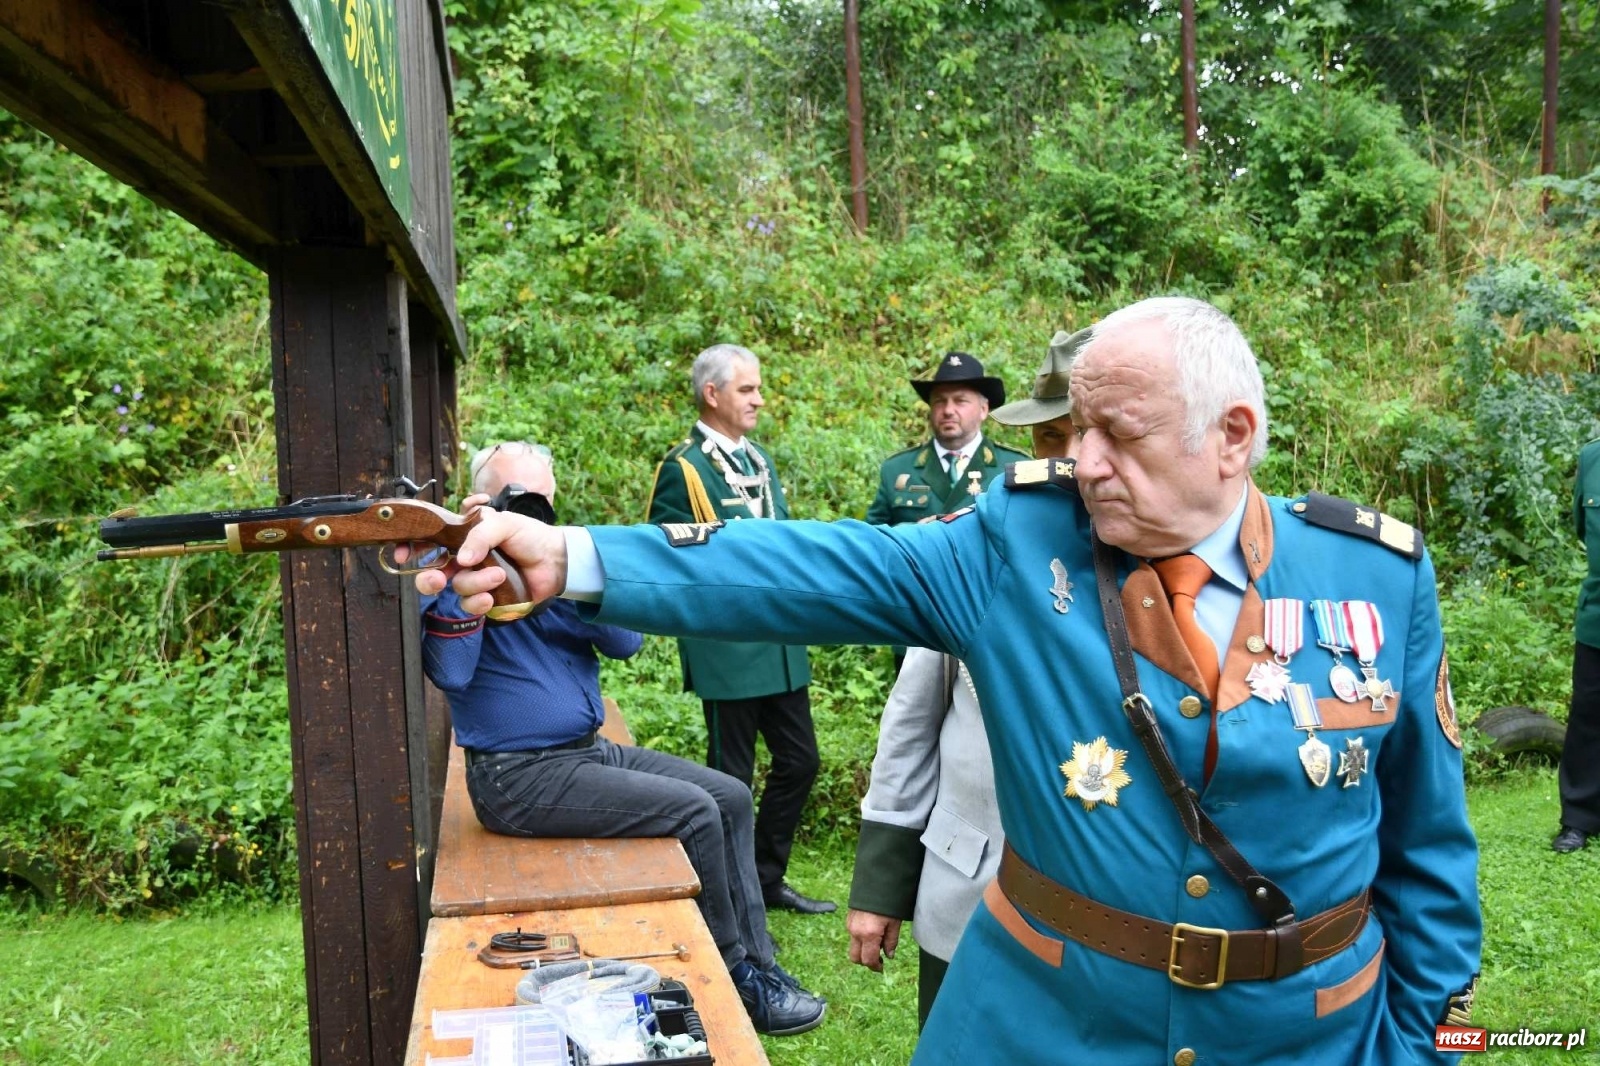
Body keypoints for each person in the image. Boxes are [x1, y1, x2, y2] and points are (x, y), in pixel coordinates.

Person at [422, 296, 1483, 1064]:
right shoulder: (1018, 542)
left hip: (1307, 1035)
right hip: (1045, 1028)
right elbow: (821, 566)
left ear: (1232, 438)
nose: (1085, 461)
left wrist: (1425, 1045)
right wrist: (571, 558)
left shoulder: (1375, 577)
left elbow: (1430, 858)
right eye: (1076, 430)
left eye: (1119, 435)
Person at [419, 441, 826, 1036]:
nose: (530, 511)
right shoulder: (460, 569)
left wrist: (562, 576)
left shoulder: (554, 563)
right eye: (516, 499)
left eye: (542, 500)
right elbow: (451, 673)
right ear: (481, 502)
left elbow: (625, 643)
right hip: (516, 775)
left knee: (731, 795)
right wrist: (471, 577)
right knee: (695, 812)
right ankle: (735, 975)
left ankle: (760, 963)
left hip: (585, 752)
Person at [846, 328, 1088, 1029]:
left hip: (1108, 914)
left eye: (1092, 435)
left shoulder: (1185, 571)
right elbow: (910, 724)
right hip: (971, 888)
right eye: (1052, 439)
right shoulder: (978, 549)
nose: (1076, 461)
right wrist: (880, 885)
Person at [645, 344, 834, 916]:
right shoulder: (685, 468)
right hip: (726, 646)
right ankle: (729, 892)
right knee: (731, 778)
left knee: (801, 761)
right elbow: (664, 553)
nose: (759, 399)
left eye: (757, 389)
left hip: (778, 641)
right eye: (747, 389)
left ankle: (765, 879)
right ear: (713, 394)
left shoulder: (759, 460)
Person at [865, 351, 1029, 527]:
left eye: (960, 401)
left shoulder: (1013, 468)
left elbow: (1028, 530)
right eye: (940, 401)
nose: (948, 410)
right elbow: (872, 536)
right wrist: (912, 534)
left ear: (983, 409)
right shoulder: (897, 469)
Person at [1554, 436, 1600, 852]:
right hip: (1598, 614)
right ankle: (1578, 819)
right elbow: (1582, 527)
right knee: (1587, 715)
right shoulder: (1592, 457)